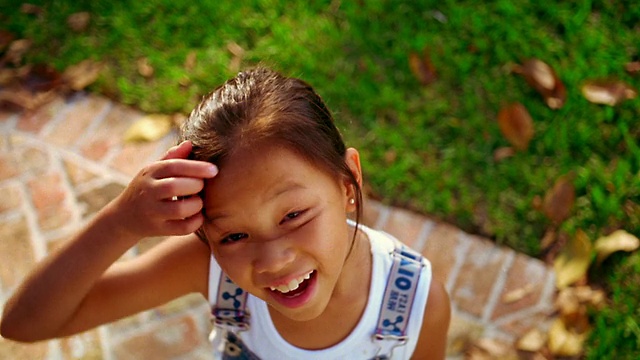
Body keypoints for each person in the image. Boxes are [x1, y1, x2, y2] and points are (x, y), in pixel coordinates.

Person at [1, 67, 450, 359]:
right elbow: (25, 323)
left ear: (347, 182)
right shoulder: (209, 269)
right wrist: (121, 223)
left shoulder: (415, 305)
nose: (273, 261)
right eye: (233, 236)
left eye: (293, 215)